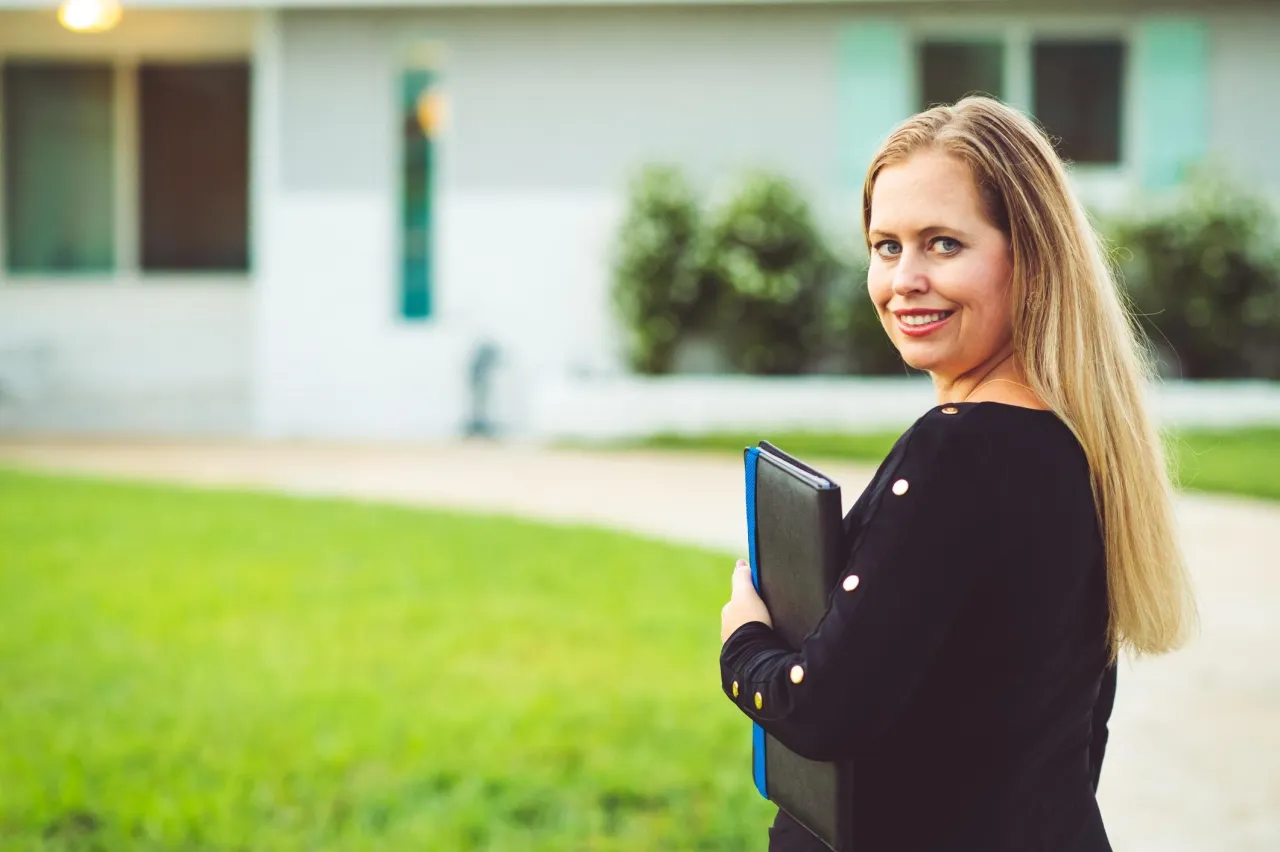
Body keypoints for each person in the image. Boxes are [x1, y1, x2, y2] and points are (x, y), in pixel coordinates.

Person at [718, 96, 1198, 852]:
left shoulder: (964, 450)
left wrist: (743, 640)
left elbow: (821, 711)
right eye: (886, 246)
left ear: (1028, 257)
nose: (904, 279)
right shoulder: (1070, 442)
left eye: (943, 244)